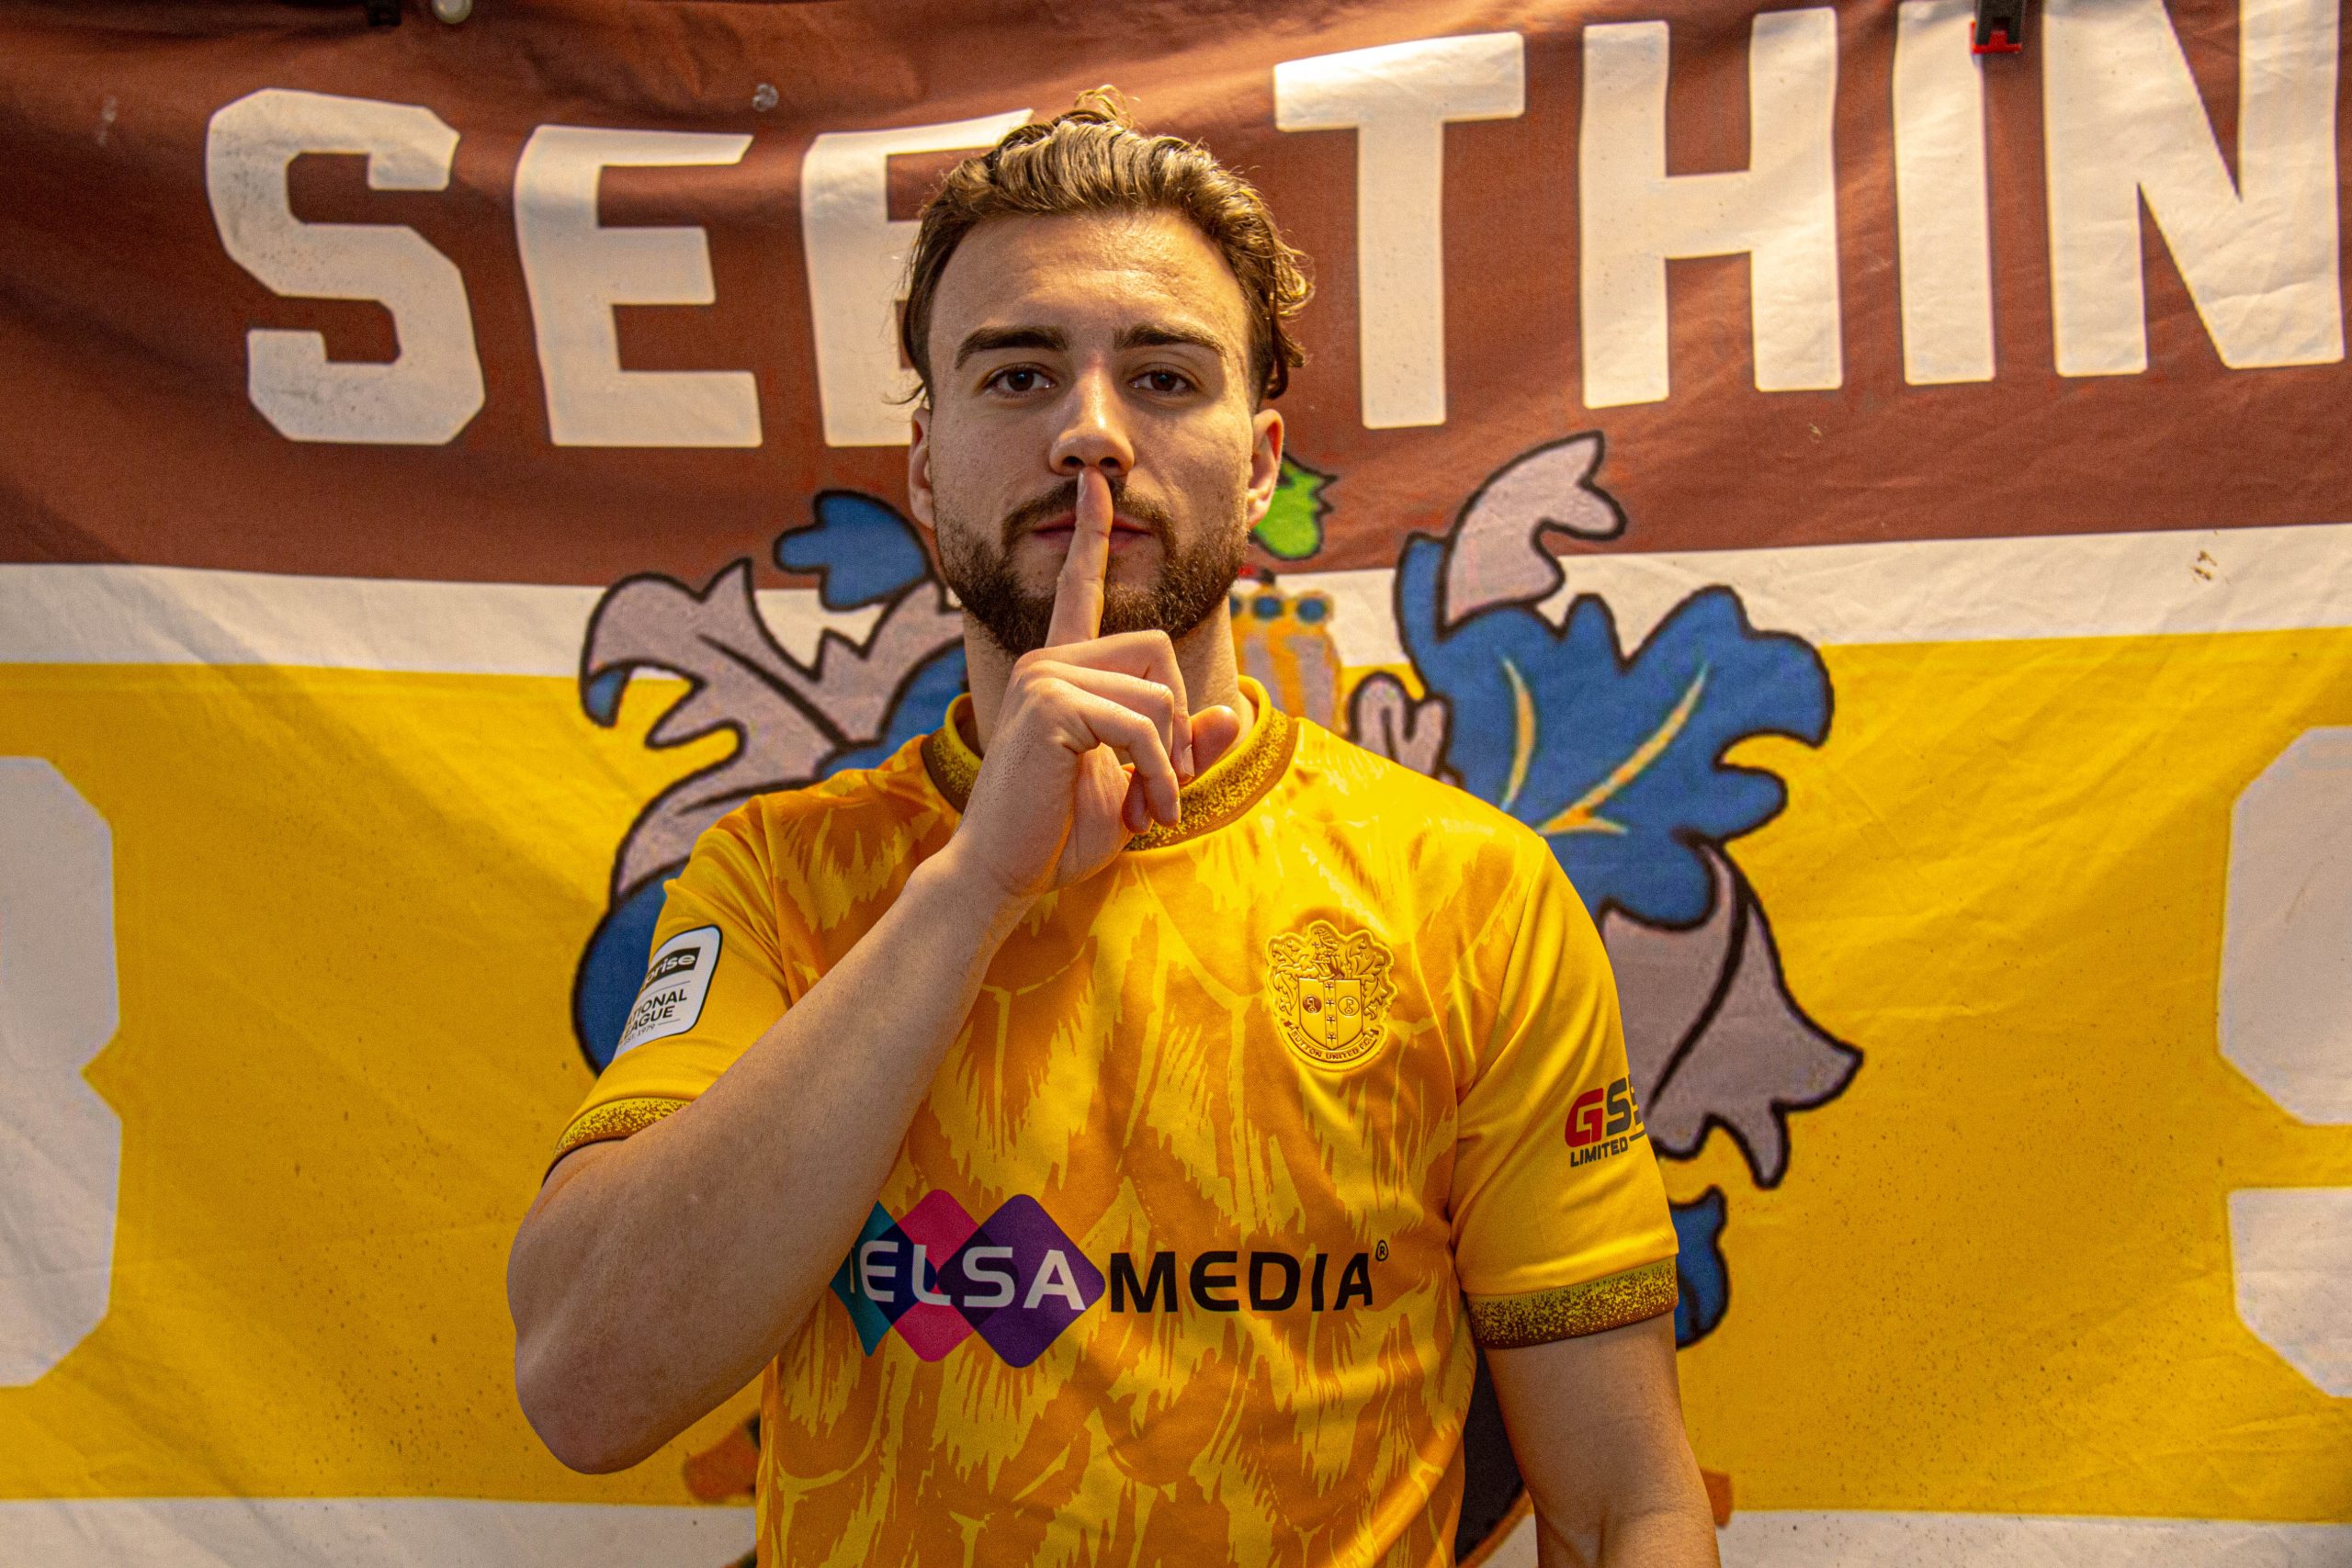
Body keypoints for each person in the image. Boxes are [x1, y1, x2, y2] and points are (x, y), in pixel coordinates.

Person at [507, 95, 1720, 1568]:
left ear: (1260, 464)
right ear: (927, 467)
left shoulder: (1472, 895)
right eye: (1019, 375)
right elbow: (584, 1385)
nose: (1090, 432)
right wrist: (973, 887)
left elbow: (1623, 1504)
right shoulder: (777, 880)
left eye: (1162, 376)